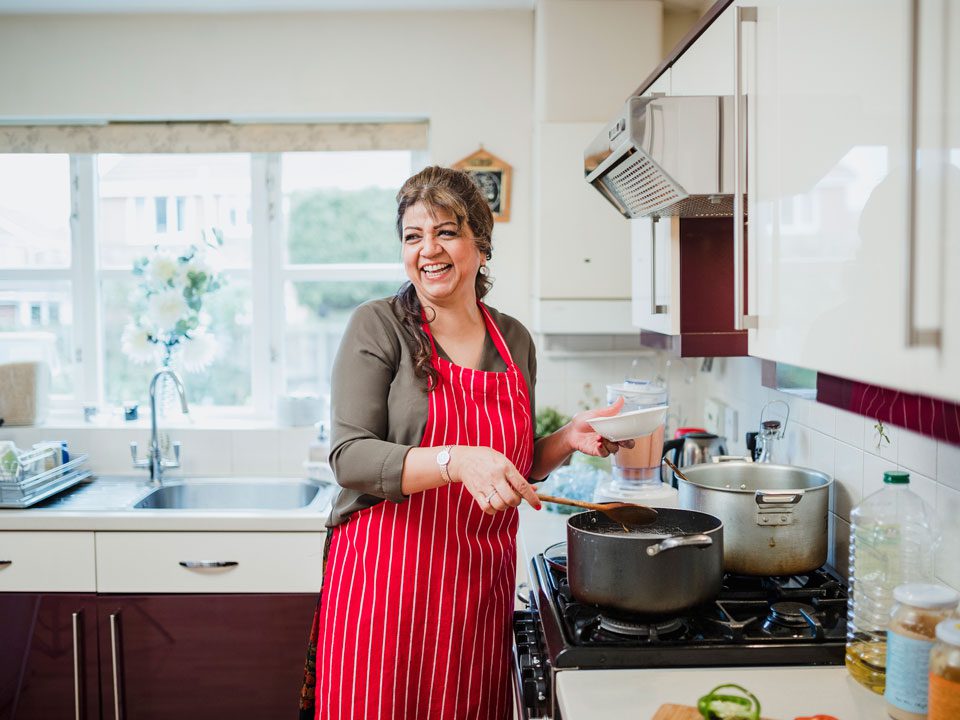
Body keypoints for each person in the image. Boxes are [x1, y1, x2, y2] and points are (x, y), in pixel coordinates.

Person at [299, 165, 631, 720]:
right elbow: (350, 457)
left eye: (446, 232)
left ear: (480, 243)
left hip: (477, 585)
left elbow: (513, 462)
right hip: (387, 582)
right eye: (413, 236)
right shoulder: (379, 325)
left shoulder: (514, 338)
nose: (428, 250)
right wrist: (454, 461)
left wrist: (566, 439)